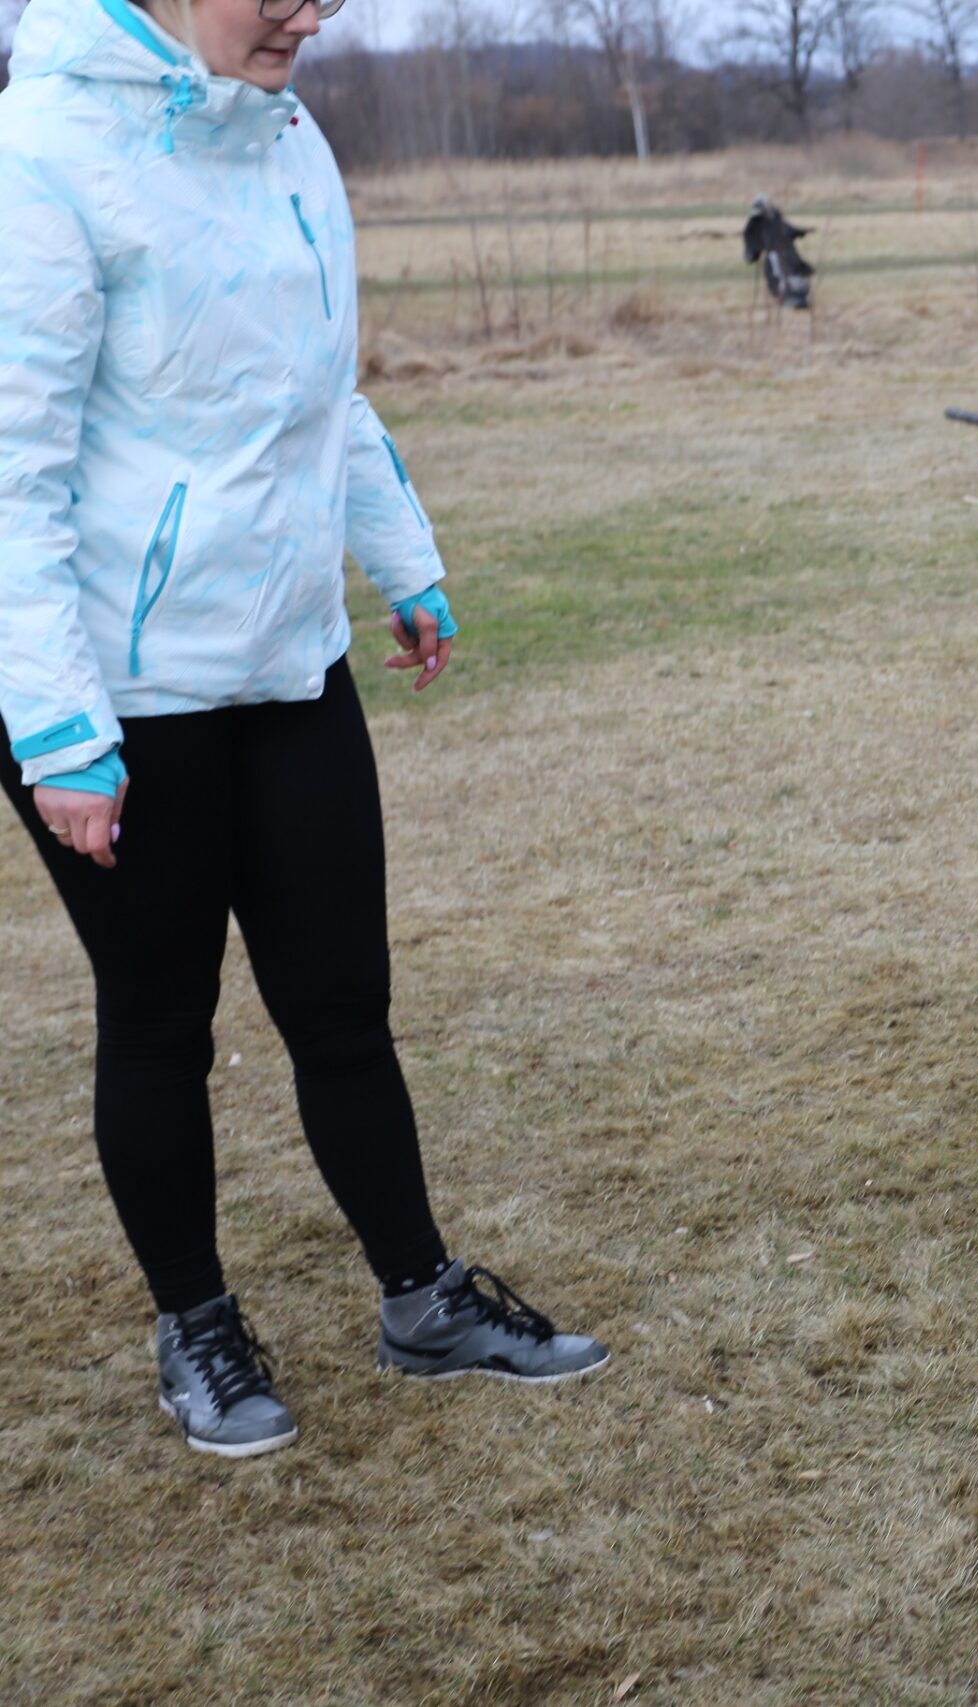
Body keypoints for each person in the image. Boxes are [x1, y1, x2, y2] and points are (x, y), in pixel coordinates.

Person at [0, 0, 608, 1459]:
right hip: (126, 693)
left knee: (342, 1006)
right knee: (161, 1020)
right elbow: (8, 475)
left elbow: (321, 393)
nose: (308, 9)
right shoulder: (41, 152)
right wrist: (61, 730)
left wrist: (403, 558)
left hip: (288, 660)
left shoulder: (291, 136)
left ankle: (424, 1298)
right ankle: (197, 1327)